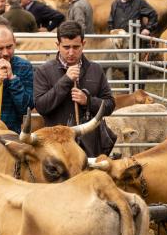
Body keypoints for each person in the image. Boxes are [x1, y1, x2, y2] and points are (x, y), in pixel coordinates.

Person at [34, 20, 116, 156]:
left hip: (90, 145)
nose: (71, 52)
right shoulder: (44, 71)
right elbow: (42, 106)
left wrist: (88, 101)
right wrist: (66, 80)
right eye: (66, 47)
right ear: (58, 45)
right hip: (58, 146)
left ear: (83, 44)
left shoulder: (95, 69)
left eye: (76, 47)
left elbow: (110, 105)